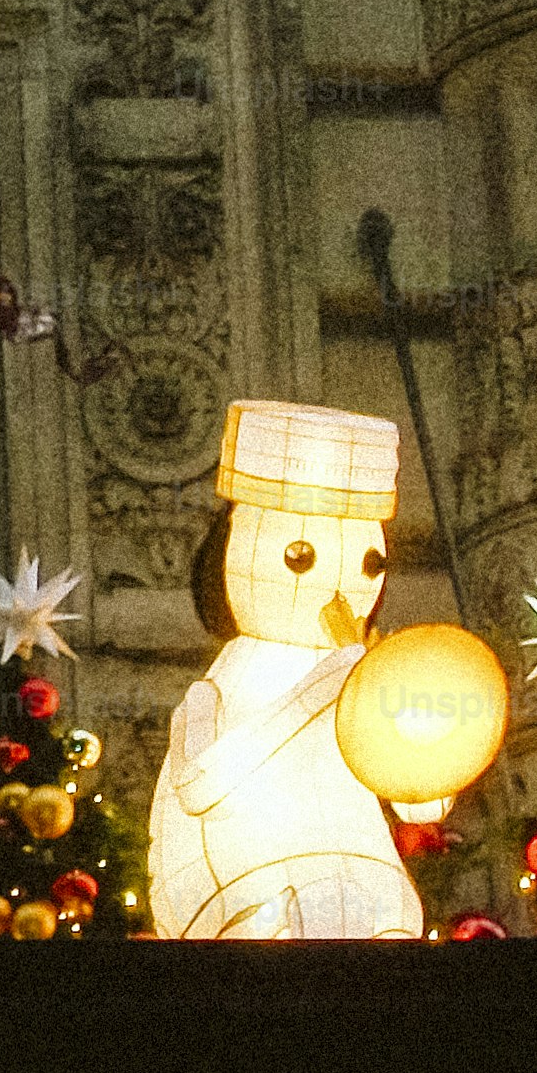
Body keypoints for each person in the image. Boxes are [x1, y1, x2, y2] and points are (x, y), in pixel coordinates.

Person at [146, 400, 438, 940]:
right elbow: (201, 787)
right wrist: (321, 689)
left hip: (364, 880)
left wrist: (427, 753)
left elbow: (420, 807)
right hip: (242, 886)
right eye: (300, 556)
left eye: (370, 563)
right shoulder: (223, 684)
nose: (338, 586)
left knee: (391, 915)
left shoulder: (361, 672)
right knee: (306, 912)